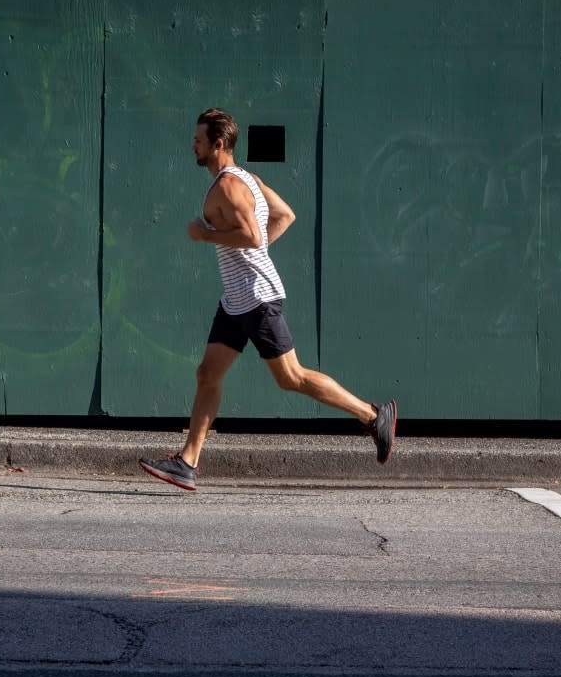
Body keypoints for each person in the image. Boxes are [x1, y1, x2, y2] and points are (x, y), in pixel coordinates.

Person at [138, 108, 396, 491]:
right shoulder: (249, 180)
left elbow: (253, 237)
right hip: (236, 300)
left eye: (198, 139)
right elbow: (284, 216)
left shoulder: (227, 186)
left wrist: (205, 236)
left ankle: (372, 415)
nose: (193, 144)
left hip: (257, 298)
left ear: (218, 144)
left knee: (291, 378)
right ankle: (187, 462)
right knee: (208, 374)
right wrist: (251, 255)